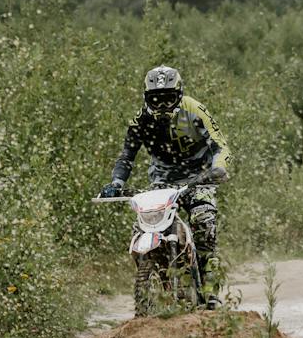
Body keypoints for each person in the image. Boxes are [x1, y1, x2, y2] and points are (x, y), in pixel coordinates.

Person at [98, 66, 231, 307]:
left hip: (199, 177)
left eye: (167, 99)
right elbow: (126, 156)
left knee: (203, 222)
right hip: (162, 180)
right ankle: (150, 275)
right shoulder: (140, 120)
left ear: (179, 95)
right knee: (145, 223)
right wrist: (117, 182)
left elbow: (220, 145)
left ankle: (211, 292)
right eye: (156, 100)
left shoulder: (195, 109)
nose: (161, 106)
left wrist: (218, 168)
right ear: (146, 98)